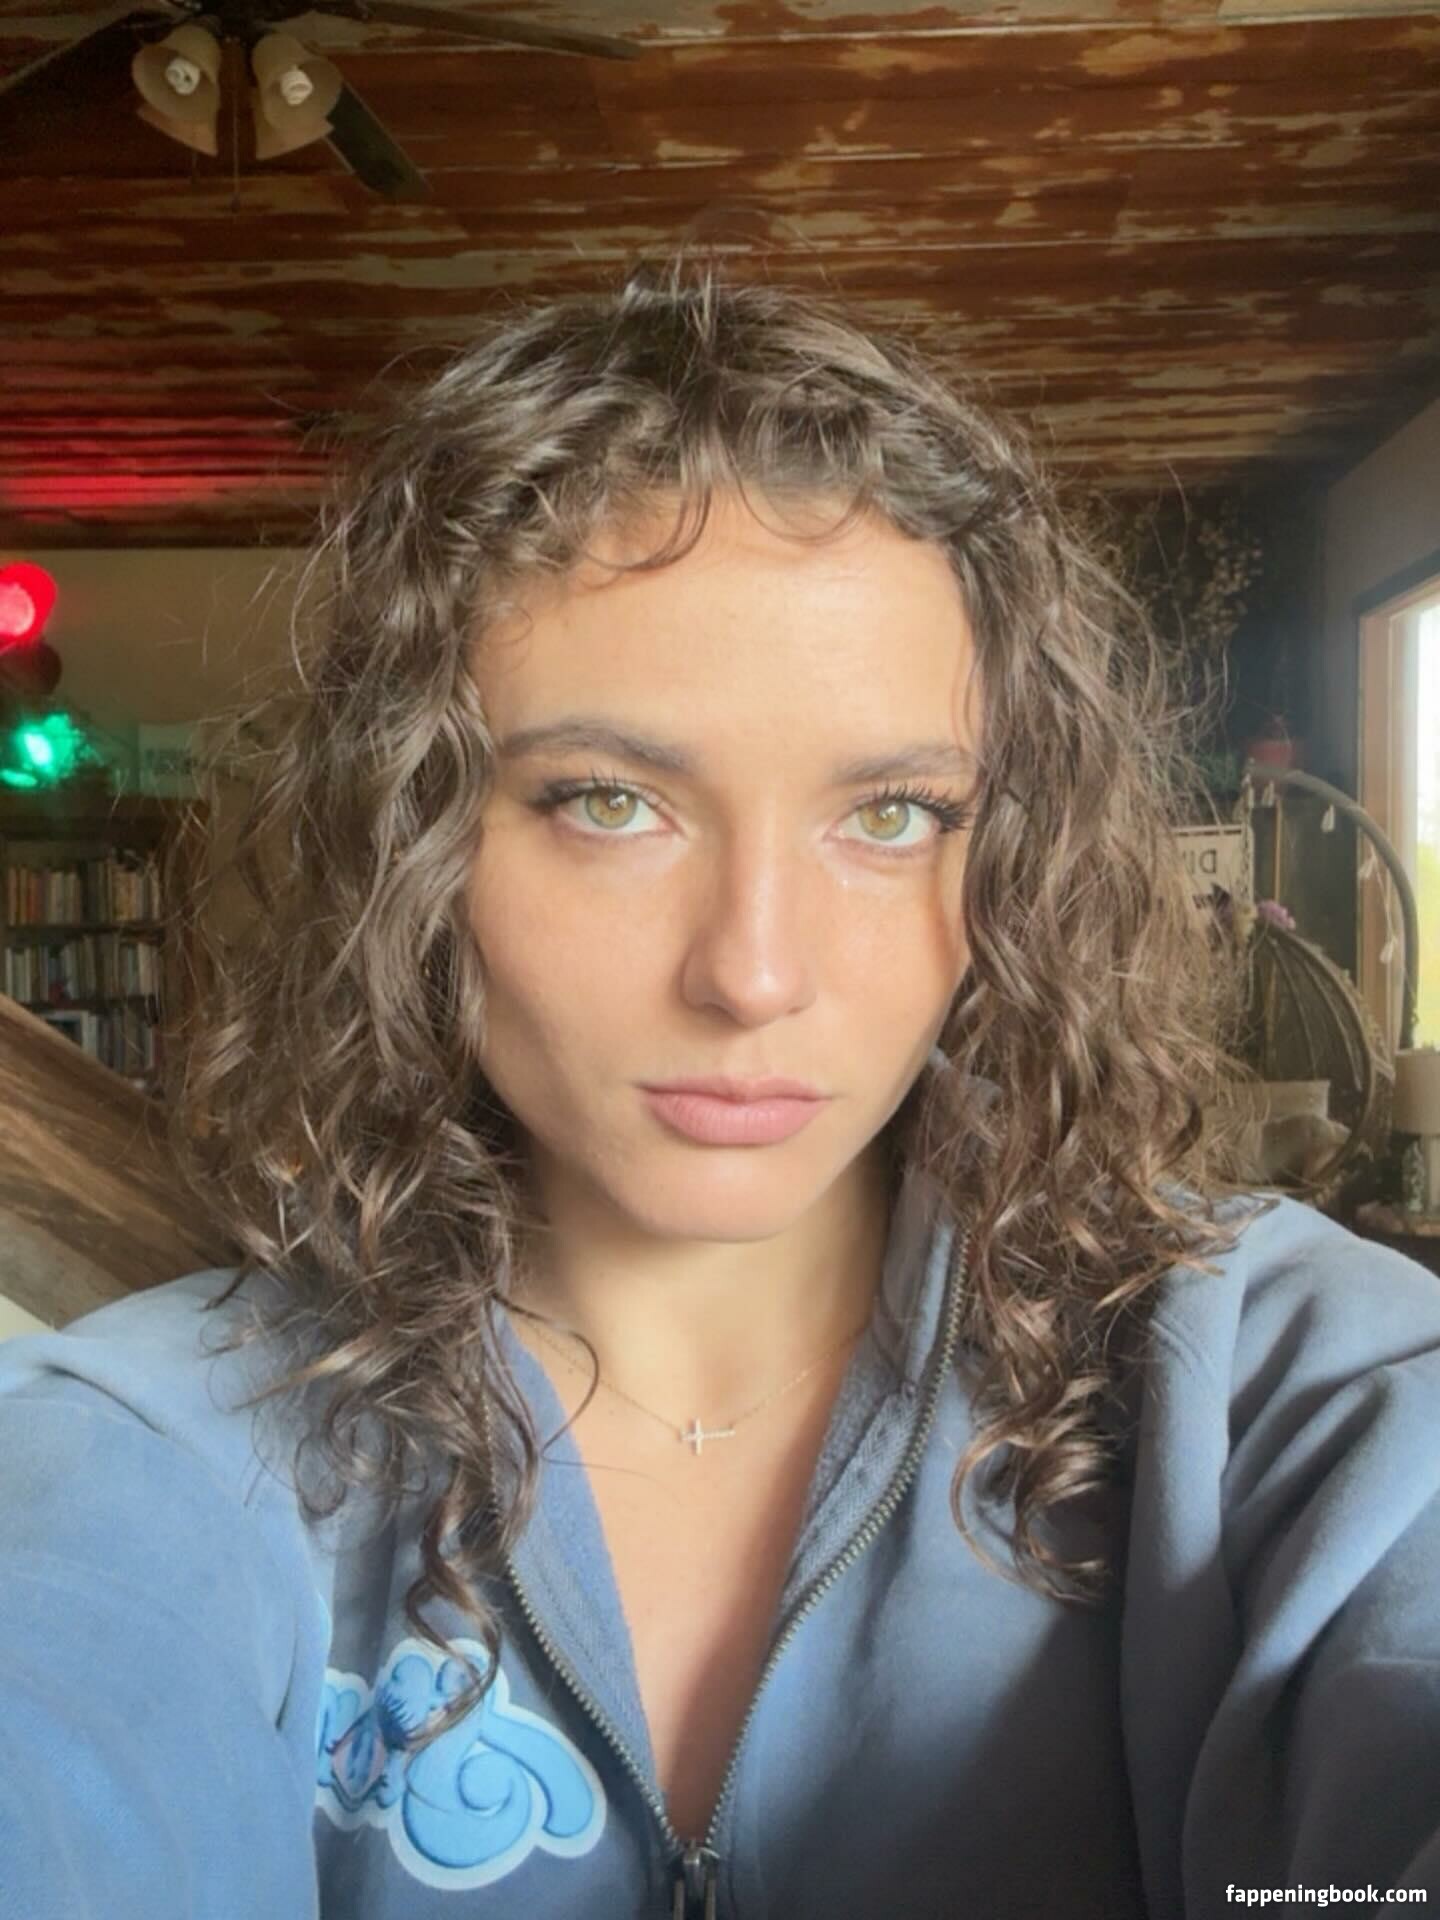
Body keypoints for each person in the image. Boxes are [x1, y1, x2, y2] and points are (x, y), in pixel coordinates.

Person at [1, 248, 1437, 1920]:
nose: (755, 973)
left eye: (891, 814)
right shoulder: (159, 1455)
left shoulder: (1269, 1385)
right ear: (417, 843)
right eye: (609, 802)